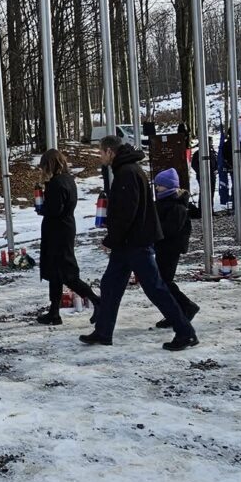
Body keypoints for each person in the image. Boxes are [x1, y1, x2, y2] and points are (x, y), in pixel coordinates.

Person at [82, 135, 197, 351]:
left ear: (110, 152)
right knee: (110, 286)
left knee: (156, 289)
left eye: (101, 152)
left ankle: (186, 332)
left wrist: (111, 239)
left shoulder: (126, 173)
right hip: (128, 244)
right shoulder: (128, 170)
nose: (99, 156)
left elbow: (127, 213)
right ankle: (103, 331)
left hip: (134, 243)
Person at [35, 149, 98, 325]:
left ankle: (96, 300)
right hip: (64, 228)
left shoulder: (56, 183)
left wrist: (42, 207)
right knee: (56, 273)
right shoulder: (69, 180)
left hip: (57, 231)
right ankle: (54, 312)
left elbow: (55, 209)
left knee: (67, 273)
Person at [151, 169, 199, 328]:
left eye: (160, 186)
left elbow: (169, 229)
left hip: (170, 248)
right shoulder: (165, 202)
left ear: (169, 186)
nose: (157, 189)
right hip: (164, 247)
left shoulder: (177, 205)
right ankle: (176, 311)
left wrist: (153, 232)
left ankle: (185, 307)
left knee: (165, 281)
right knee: (163, 281)